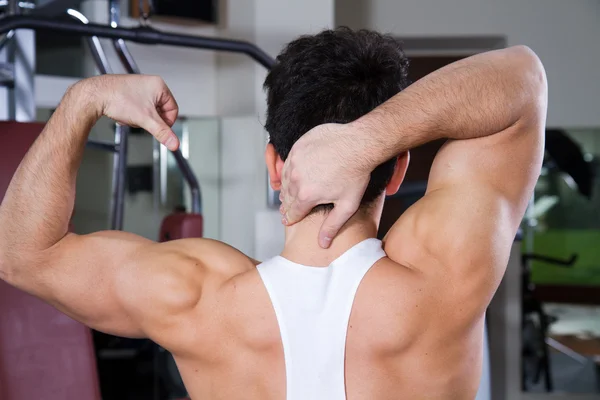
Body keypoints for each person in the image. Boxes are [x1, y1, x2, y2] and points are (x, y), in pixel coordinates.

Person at [0, 28, 546, 399]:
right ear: (399, 170)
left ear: (273, 166)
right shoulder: (442, 277)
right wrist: (369, 140)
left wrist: (85, 99)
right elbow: (524, 80)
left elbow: (21, 251)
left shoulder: (196, 297)